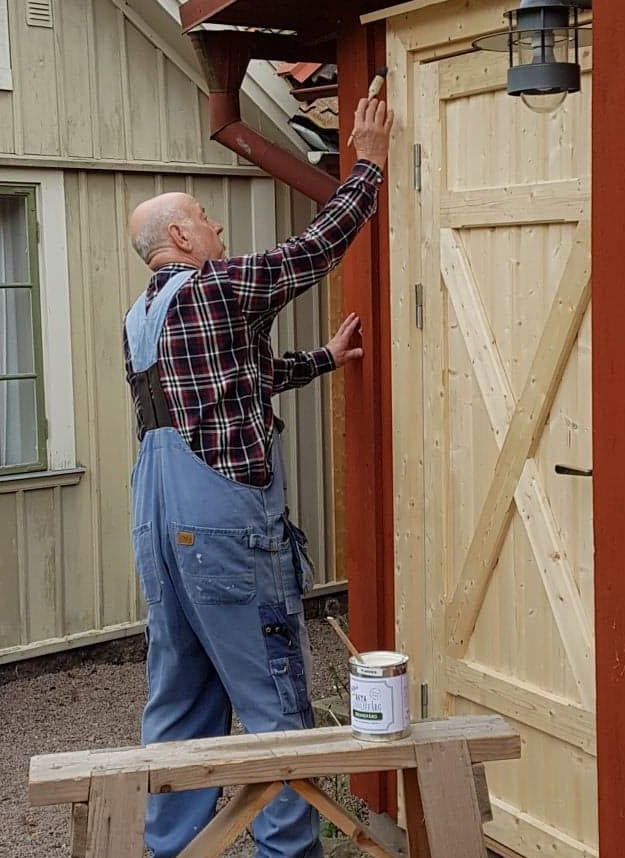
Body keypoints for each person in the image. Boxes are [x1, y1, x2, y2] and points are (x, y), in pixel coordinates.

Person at [122, 97, 394, 858]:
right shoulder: (217, 287)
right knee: (274, 702)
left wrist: (324, 361)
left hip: (160, 529)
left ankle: (172, 850)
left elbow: (241, 380)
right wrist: (366, 162)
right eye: (206, 217)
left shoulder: (143, 318)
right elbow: (313, 249)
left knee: (181, 703)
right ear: (180, 235)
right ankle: (287, 853)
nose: (217, 228)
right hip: (223, 529)